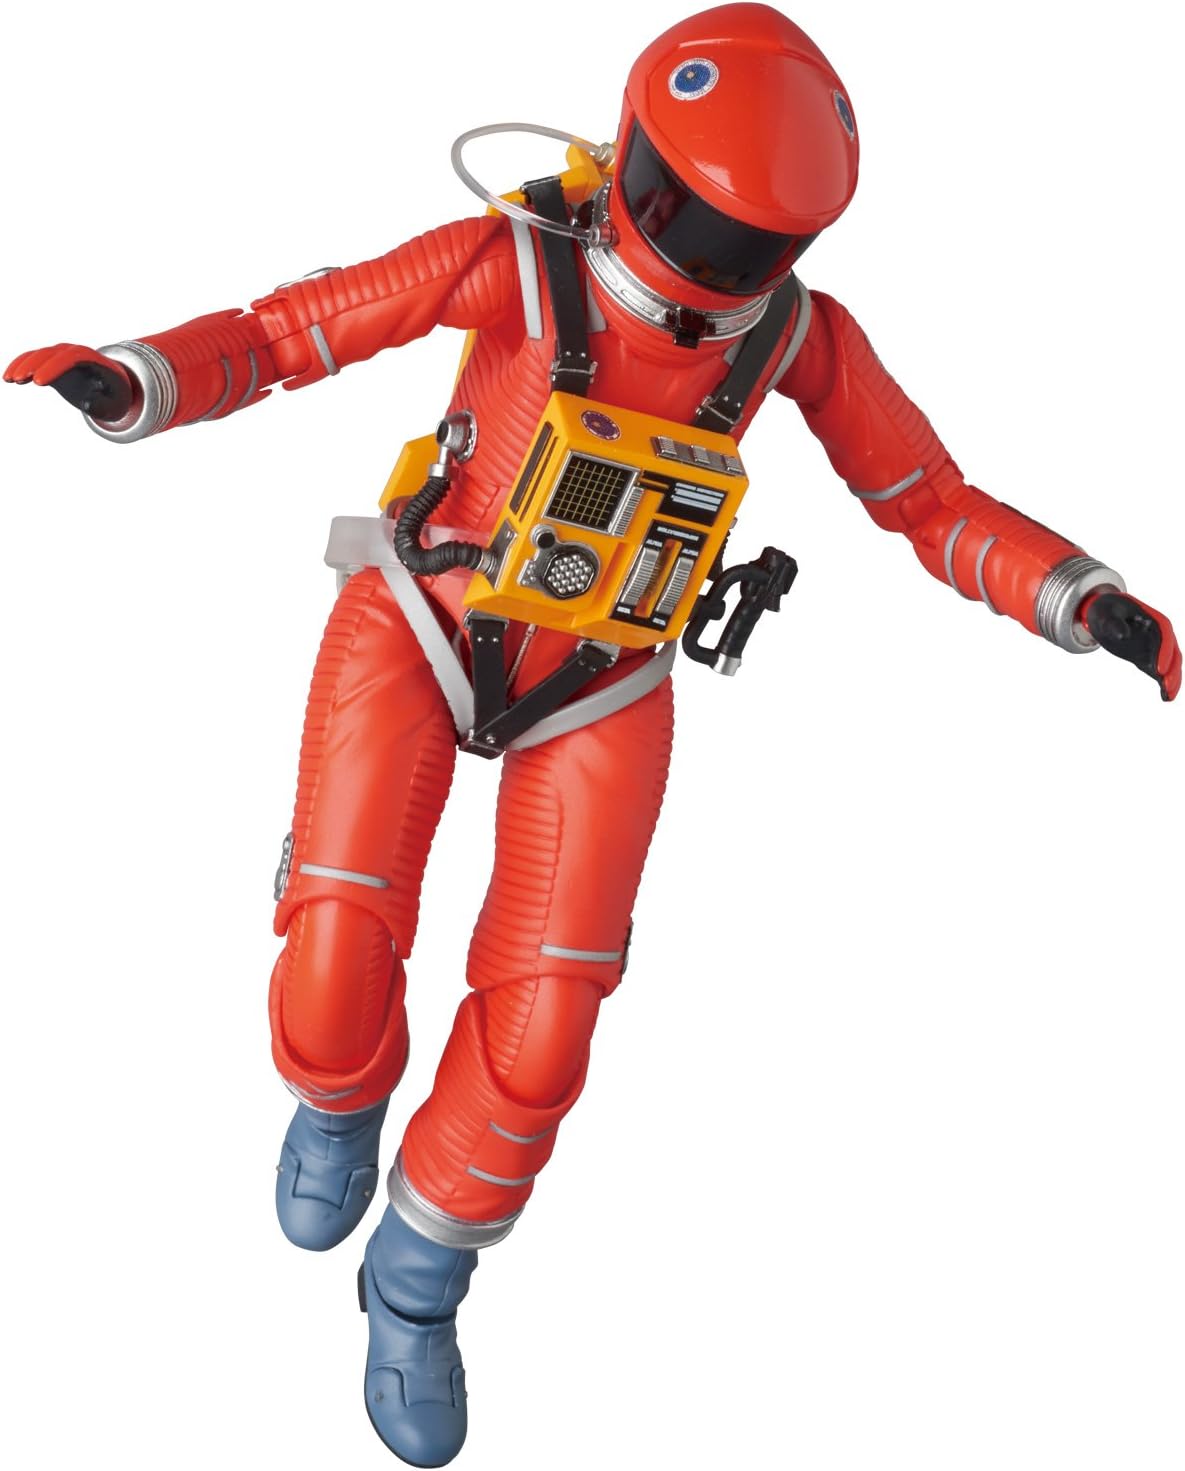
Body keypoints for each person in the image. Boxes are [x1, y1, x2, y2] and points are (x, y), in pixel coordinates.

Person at [5, 5, 1177, 1465]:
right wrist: (142, 378)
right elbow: (292, 332)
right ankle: (336, 1100)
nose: (712, 265)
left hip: (605, 672)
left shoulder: (797, 337)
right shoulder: (512, 259)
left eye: (750, 244)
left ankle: (417, 1283)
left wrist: (1077, 595)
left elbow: (926, 498)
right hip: (425, 610)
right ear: (630, 157)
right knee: (336, 943)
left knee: (548, 1022)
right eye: (690, 216)